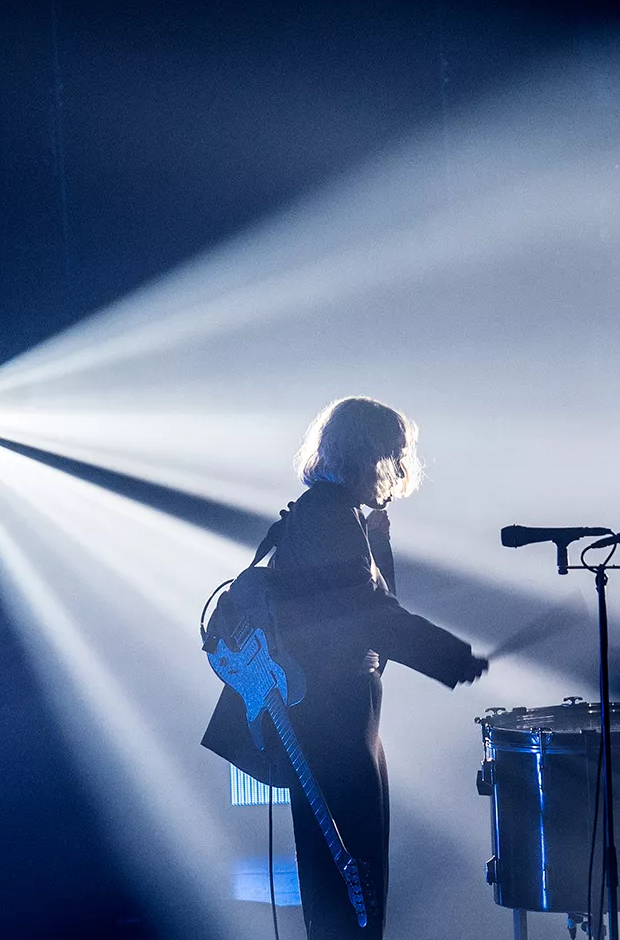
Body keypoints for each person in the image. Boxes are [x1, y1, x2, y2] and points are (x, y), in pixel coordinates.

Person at [202, 396, 488, 940]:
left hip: (339, 713)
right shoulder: (327, 517)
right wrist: (448, 656)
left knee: (349, 875)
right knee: (351, 878)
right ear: (365, 455)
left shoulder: (332, 514)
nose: (399, 472)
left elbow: (370, 607)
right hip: (332, 718)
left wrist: (378, 531)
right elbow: (367, 613)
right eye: (392, 456)